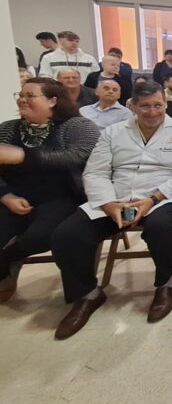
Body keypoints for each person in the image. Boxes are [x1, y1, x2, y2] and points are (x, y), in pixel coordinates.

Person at [50, 80, 172, 339]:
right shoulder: (113, 132)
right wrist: (109, 204)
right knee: (66, 235)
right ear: (132, 106)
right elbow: (95, 172)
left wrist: (152, 199)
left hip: (160, 196)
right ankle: (87, 293)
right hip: (115, 197)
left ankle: (165, 284)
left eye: (158, 105)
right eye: (145, 106)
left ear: (165, 104)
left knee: (160, 228)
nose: (152, 112)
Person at [0, 78, 100, 302]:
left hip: (62, 197)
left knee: (43, 236)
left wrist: (23, 156)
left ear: (53, 100)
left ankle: (10, 257)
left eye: (30, 96)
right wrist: (5, 195)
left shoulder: (78, 126)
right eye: (21, 95)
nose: (22, 100)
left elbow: (78, 155)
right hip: (14, 196)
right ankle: (5, 270)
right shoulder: (7, 128)